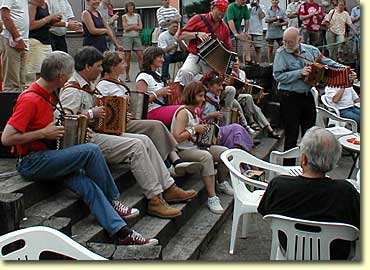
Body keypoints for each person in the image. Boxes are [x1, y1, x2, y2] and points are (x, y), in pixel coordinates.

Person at [1, 51, 158, 246]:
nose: (69, 77)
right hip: (32, 161)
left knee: (87, 185)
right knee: (90, 150)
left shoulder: (49, 94)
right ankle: (112, 199)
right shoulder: (30, 99)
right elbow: (7, 138)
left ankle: (121, 231)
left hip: (48, 156)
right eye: (68, 73)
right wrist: (43, 133)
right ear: (59, 76)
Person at [59, 46, 197, 219]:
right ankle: (155, 199)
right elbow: (67, 122)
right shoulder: (72, 90)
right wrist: (92, 113)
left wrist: (114, 115)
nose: (101, 70)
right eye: (99, 66)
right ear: (87, 67)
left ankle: (169, 188)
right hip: (86, 140)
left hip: (96, 133)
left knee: (145, 139)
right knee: (136, 145)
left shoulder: (88, 86)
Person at [258, 126, 360, 260]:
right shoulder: (346, 192)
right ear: (333, 161)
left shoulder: (279, 185)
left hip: (291, 251)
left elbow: (264, 211)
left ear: (304, 159)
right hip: (335, 257)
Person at [96, 51, 201, 175]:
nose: (126, 65)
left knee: (163, 123)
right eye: (122, 62)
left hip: (130, 119)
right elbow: (138, 101)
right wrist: (157, 94)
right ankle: (171, 161)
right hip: (126, 121)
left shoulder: (118, 82)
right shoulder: (104, 85)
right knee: (170, 117)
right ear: (113, 67)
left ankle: (176, 160)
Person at [273, 27, 356, 165]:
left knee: (310, 134)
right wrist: (299, 73)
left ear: (299, 40)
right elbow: (278, 76)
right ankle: (288, 170)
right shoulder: (281, 53)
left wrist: (346, 70)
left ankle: (309, 167)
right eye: (285, 41)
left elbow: (329, 63)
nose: (287, 45)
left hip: (307, 96)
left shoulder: (311, 50)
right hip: (289, 97)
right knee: (291, 135)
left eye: (290, 42)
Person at [171, 81, 233, 214]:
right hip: (183, 151)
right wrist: (195, 129)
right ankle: (212, 197)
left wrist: (211, 136)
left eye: (203, 96)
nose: (203, 99)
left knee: (226, 153)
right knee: (206, 157)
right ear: (192, 95)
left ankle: (221, 183)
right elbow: (176, 136)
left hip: (196, 147)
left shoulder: (195, 112)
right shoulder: (183, 112)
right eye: (200, 96)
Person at [175, 0, 231, 86]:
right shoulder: (198, 18)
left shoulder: (224, 28)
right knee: (185, 72)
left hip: (213, 61)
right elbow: (180, 36)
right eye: (219, 12)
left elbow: (228, 49)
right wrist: (197, 34)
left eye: (223, 13)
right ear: (213, 8)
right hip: (196, 56)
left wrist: (233, 61)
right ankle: (182, 97)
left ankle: (208, 98)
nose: (221, 16)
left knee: (213, 84)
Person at [200, 70, 254, 152]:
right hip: (206, 135)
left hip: (216, 131)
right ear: (209, 86)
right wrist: (209, 116)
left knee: (237, 129)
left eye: (221, 85)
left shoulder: (214, 98)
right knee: (236, 129)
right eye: (219, 85)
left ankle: (240, 155)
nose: (221, 88)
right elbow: (196, 120)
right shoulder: (203, 101)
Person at [231, 56, 280, 138]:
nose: (235, 63)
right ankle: (251, 121)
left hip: (244, 97)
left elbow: (248, 85)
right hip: (236, 96)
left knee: (256, 107)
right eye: (233, 62)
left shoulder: (242, 73)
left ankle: (269, 129)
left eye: (237, 61)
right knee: (249, 98)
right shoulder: (230, 73)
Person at [135, 46, 182, 127]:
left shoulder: (158, 75)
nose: (163, 60)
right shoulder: (143, 77)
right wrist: (157, 93)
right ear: (151, 58)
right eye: (160, 57)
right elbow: (139, 103)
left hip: (162, 108)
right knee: (183, 111)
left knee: (191, 108)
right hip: (151, 111)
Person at [26, 0, 63, 82]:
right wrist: (49, 18)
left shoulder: (45, 4)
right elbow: (31, 25)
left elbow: (45, 23)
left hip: (46, 41)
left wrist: (53, 20)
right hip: (36, 42)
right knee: (39, 72)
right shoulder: (33, 4)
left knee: (49, 71)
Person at [0, 0, 29, 91]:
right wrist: (17, 38)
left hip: (23, 40)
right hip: (12, 40)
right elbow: (5, 16)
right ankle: (9, 104)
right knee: (11, 83)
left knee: (21, 81)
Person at [121, 1, 144, 82]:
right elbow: (125, 28)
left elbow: (141, 27)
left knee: (140, 55)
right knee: (127, 57)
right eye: (129, 6)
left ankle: (142, 73)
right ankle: (127, 75)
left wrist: (131, 26)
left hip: (136, 36)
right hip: (127, 37)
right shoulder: (124, 16)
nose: (130, 8)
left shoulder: (137, 16)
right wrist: (135, 26)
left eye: (132, 6)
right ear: (126, 8)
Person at [225, 0, 251, 64]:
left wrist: (246, 32)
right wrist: (235, 33)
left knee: (247, 38)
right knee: (228, 44)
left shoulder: (244, 7)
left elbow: (247, 20)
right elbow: (230, 21)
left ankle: (248, 60)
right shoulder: (231, 7)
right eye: (243, 0)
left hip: (237, 26)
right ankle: (228, 61)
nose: (245, 1)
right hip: (226, 27)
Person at [265, 0, 288, 64]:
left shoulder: (282, 11)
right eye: (273, 0)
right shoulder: (268, 10)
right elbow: (266, 20)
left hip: (279, 33)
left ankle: (281, 62)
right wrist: (277, 18)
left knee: (282, 48)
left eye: (276, 0)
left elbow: (286, 21)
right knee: (270, 49)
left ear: (278, 2)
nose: (274, 2)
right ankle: (270, 63)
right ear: (271, 1)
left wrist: (280, 24)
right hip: (270, 33)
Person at [248, 0, 265, 65]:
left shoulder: (262, 7)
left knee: (258, 49)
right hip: (248, 30)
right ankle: (246, 63)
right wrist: (251, 7)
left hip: (258, 31)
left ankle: (258, 63)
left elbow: (262, 16)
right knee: (247, 48)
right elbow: (245, 15)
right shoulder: (247, 6)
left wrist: (258, 7)